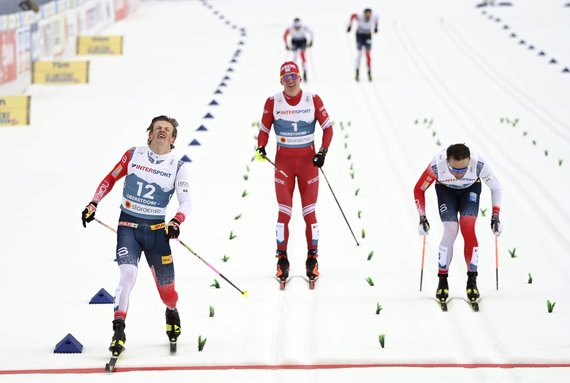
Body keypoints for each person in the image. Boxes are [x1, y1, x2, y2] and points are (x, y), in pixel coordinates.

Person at [81, 115, 191, 356]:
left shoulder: (178, 166)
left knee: (168, 294)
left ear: (173, 139)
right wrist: (93, 204)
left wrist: (176, 221)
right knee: (128, 274)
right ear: (149, 134)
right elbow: (110, 179)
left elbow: (186, 203)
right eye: (157, 128)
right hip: (128, 228)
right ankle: (118, 329)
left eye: (167, 130)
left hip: (156, 234)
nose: (162, 131)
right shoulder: (133, 155)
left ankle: (171, 310)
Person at [256, 61, 333, 283]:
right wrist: (261, 147)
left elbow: (328, 128)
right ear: (281, 80)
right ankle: (282, 260)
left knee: (309, 213)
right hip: (284, 166)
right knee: (284, 214)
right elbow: (264, 129)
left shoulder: (313, 99)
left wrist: (322, 152)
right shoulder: (273, 101)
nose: (290, 81)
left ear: (300, 78)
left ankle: (312, 259)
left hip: (309, 165)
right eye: (286, 78)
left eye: (294, 77)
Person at [413, 143, 503, 304]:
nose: (459, 174)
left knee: (468, 228)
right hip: (445, 190)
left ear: (469, 161)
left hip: (471, 189)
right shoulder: (436, 165)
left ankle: (472, 281)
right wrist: (422, 217)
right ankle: (442, 280)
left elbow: (496, 187)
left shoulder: (478, 164)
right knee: (451, 229)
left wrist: (495, 216)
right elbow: (419, 189)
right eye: (454, 169)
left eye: (463, 169)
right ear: (447, 161)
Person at [346, 8, 379, 82]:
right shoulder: (360, 17)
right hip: (359, 35)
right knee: (359, 54)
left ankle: (369, 71)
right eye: (366, 15)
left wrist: (376, 27)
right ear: (364, 14)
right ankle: (357, 71)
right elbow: (353, 15)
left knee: (368, 54)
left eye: (369, 15)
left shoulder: (374, 17)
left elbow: (377, 18)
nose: (367, 16)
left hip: (368, 35)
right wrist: (350, 26)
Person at [283, 17, 314, 81]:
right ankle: (293, 73)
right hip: (295, 41)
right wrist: (286, 44)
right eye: (296, 27)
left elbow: (311, 32)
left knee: (303, 56)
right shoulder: (290, 27)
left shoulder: (304, 26)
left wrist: (311, 41)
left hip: (302, 41)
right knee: (294, 57)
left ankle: (305, 71)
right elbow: (285, 35)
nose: (297, 28)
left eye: (298, 27)